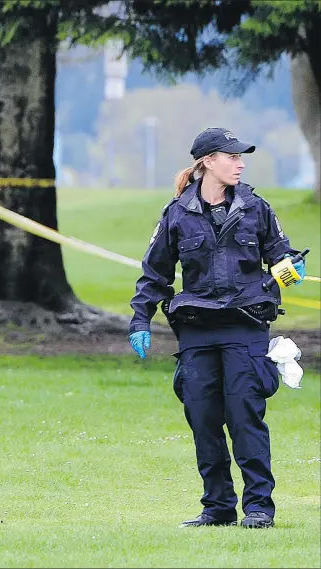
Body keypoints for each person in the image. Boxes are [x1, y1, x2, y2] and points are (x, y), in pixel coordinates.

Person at [128, 128, 306, 529]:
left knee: (246, 417)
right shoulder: (176, 213)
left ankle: (259, 508)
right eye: (232, 156)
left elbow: (283, 261)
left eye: (242, 158)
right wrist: (140, 319)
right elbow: (154, 275)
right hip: (197, 332)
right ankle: (218, 508)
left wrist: (291, 273)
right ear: (208, 161)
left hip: (245, 327)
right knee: (203, 418)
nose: (240, 163)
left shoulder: (257, 208)